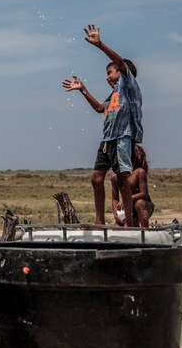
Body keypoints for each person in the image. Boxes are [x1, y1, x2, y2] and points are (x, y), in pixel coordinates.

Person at [62, 24, 143, 225]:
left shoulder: (128, 85)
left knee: (122, 178)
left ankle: (130, 225)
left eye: (110, 72)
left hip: (122, 138)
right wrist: (83, 89)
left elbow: (118, 61)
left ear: (121, 72)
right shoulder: (113, 94)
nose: (107, 76)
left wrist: (99, 45)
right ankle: (100, 223)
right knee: (96, 178)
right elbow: (100, 108)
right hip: (107, 140)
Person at [111, 144, 154, 227]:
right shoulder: (115, 178)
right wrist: (115, 211)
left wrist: (126, 199)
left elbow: (144, 194)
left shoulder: (139, 172)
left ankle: (145, 233)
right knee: (117, 227)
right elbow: (114, 198)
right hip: (129, 209)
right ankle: (134, 227)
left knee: (139, 204)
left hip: (144, 206)